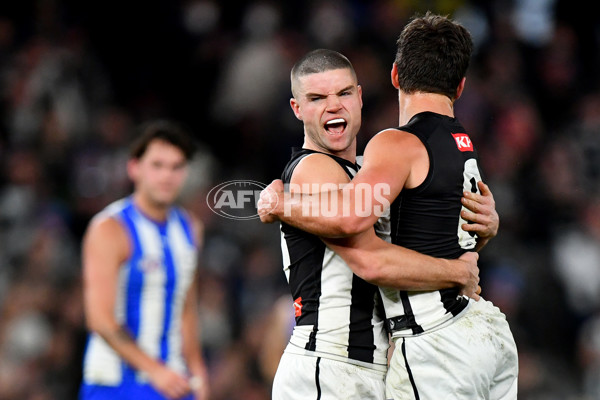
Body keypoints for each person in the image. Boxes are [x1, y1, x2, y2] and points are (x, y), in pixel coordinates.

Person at [259, 13, 518, 400]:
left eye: (343, 93)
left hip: (372, 364)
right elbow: (371, 260)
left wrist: (481, 228)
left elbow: (420, 235)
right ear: (297, 109)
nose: (333, 107)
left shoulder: (374, 170)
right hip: (329, 364)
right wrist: (455, 271)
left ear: (363, 96)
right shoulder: (315, 170)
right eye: (317, 98)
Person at [79, 120, 209, 400]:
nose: (167, 176)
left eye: (176, 167)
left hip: (173, 380)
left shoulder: (190, 229)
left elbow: (185, 306)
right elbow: (100, 318)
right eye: (158, 165)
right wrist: (154, 371)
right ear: (134, 168)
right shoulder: (109, 229)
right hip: (114, 383)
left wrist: (197, 371)